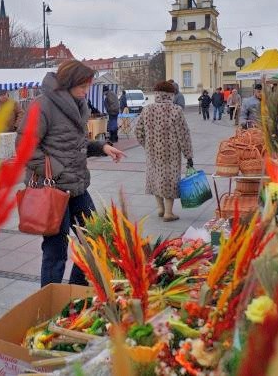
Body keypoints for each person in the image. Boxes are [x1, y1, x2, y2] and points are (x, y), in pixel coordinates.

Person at [18, 60, 125, 287]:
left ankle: (76, 289)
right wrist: (57, 172)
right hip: (53, 189)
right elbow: (25, 148)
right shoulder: (43, 105)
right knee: (56, 252)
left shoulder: (78, 105)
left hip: (77, 187)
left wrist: (101, 147)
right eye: (83, 86)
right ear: (68, 82)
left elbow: (74, 142)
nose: (87, 91)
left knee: (97, 239)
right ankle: (50, 303)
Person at [135, 81, 193, 222]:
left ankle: (160, 208)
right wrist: (188, 155)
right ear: (171, 94)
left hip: (153, 153)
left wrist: (147, 145)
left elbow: (138, 132)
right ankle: (168, 212)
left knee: (156, 178)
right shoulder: (176, 110)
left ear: (156, 94)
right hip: (171, 153)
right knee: (169, 180)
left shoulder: (147, 109)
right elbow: (183, 134)